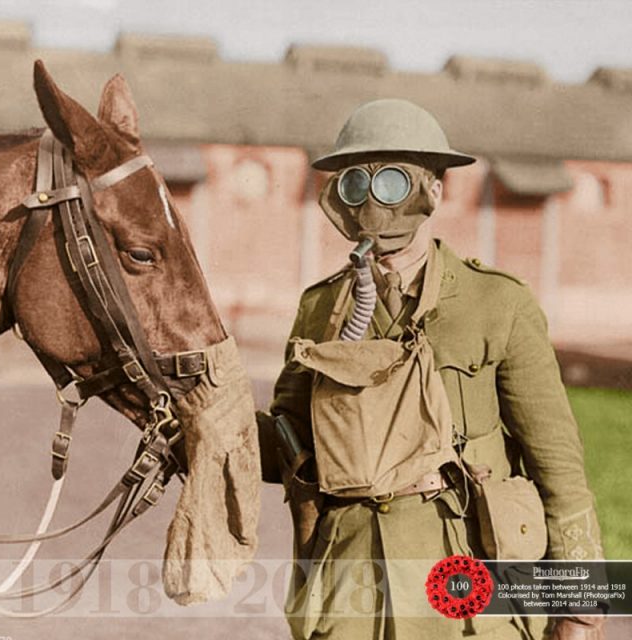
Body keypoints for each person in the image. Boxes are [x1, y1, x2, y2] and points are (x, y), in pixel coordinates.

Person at [257, 99, 603, 640]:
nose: (373, 202)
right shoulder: (321, 309)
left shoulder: (498, 304)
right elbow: (289, 443)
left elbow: (559, 467)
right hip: (353, 587)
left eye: (393, 182)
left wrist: (581, 608)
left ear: (435, 189)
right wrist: (194, 412)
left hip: (466, 576)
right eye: (354, 184)